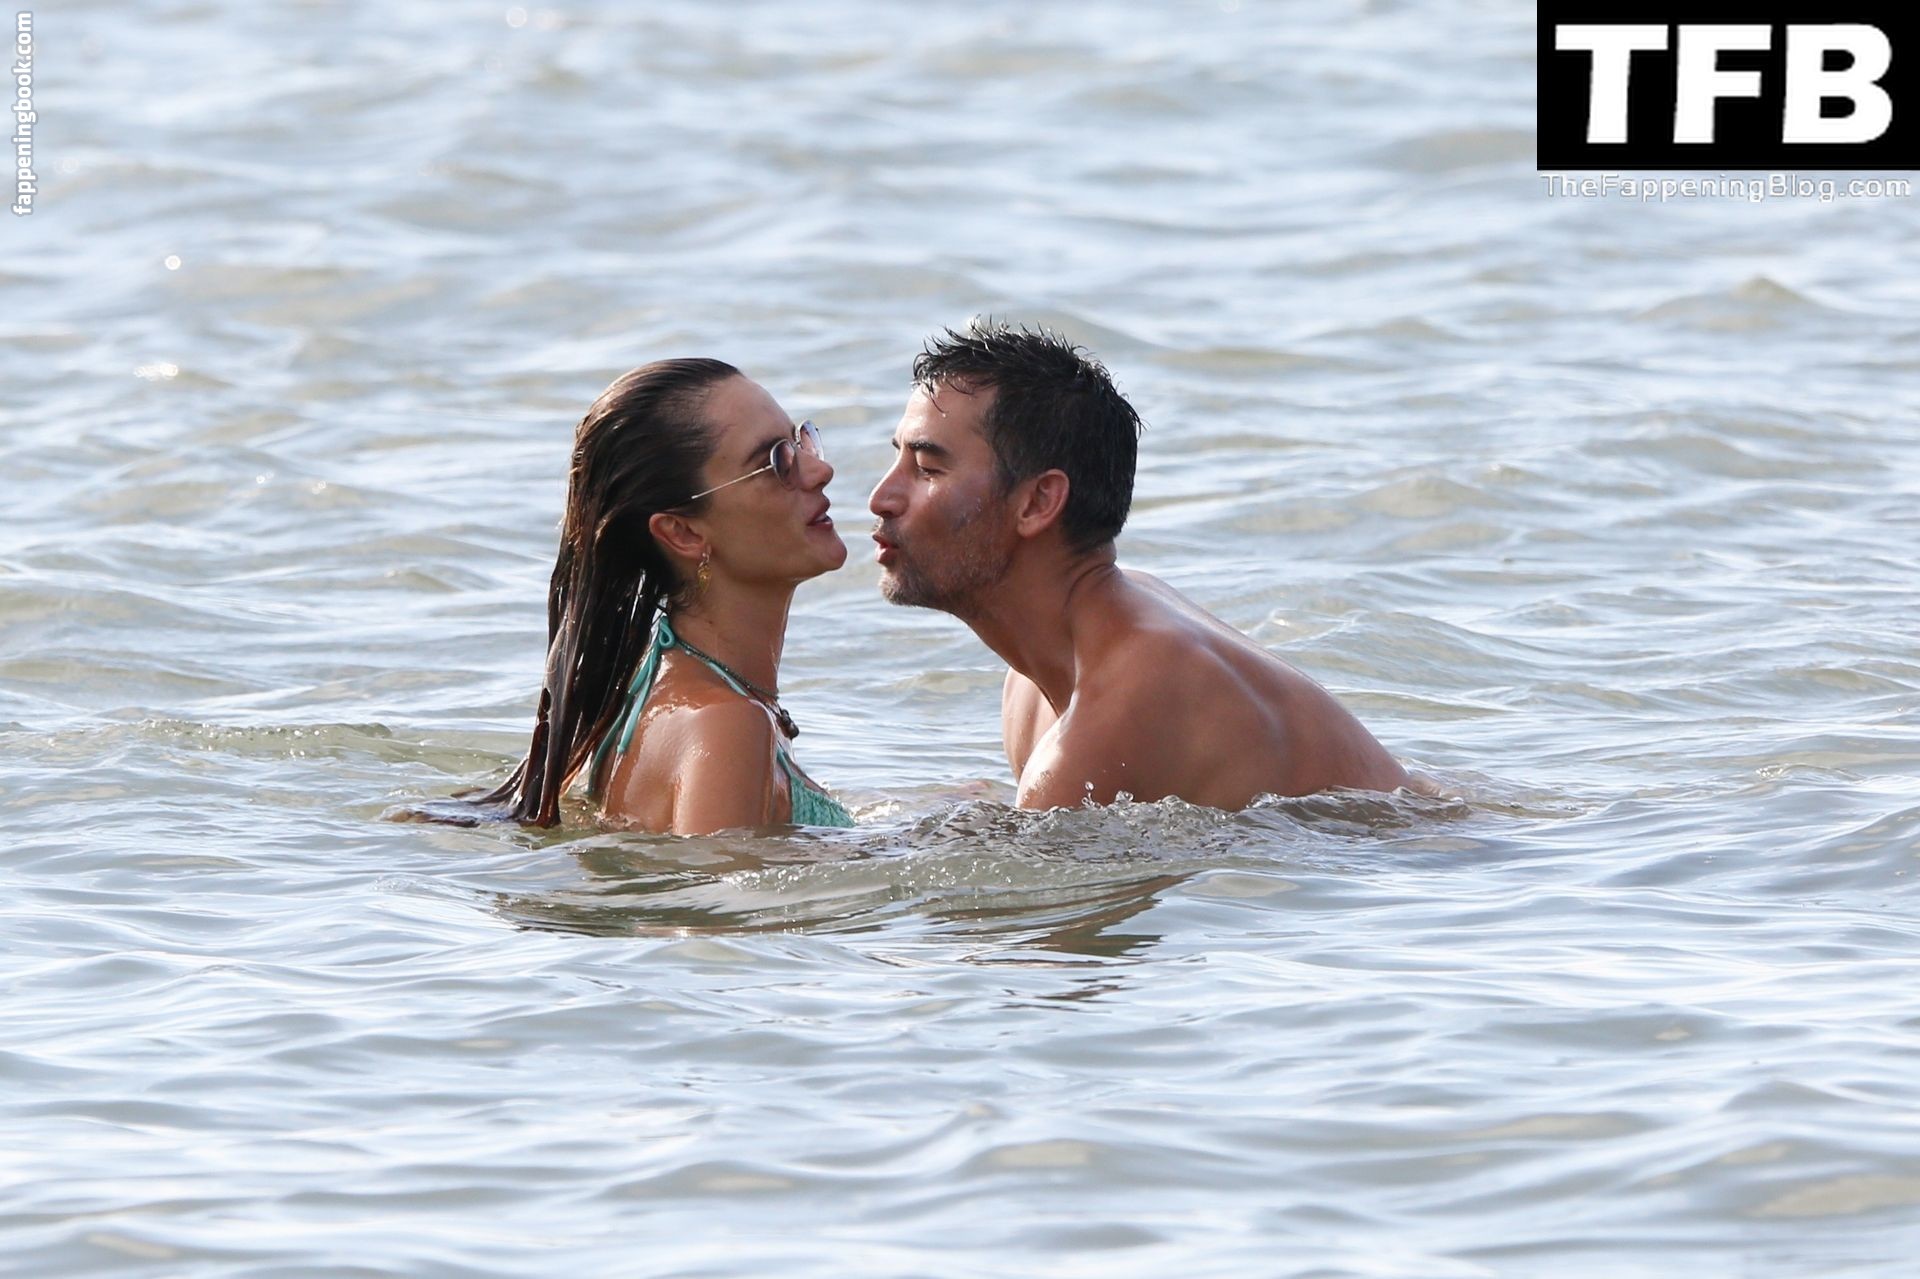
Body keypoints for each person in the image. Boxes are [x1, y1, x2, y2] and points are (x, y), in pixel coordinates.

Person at [867, 321, 1423, 812]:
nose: (881, 498)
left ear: (1037, 502)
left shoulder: (1121, 698)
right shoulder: (1037, 684)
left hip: (1423, 863)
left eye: (927, 469)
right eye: (897, 460)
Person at [467, 359, 854, 832]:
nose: (820, 469)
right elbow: (714, 881)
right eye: (775, 462)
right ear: (682, 533)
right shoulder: (726, 724)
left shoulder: (643, 695)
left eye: (798, 441)